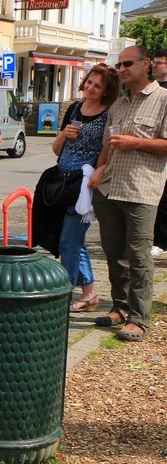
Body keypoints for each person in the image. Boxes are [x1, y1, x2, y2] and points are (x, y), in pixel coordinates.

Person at [90, 45, 167, 342]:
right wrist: (99, 170)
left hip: (141, 190)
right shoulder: (119, 104)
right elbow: (107, 145)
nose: (121, 69)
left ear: (146, 64)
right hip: (110, 188)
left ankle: (139, 318)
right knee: (114, 254)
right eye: (119, 65)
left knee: (138, 256)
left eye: (127, 64)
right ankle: (120, 307)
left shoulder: (162, 99)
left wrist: (136, 143)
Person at [48, 64, 118, 313]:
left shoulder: (109, 114)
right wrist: (64, 134)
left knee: (69, 241)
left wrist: (100, 169)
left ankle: (62, 295)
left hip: (85, 186)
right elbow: (56, 150)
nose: (91, 88)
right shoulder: (74, 109)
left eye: (98, 86)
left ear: (106, 91)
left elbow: (109, 149)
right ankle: (89, 294)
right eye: (89, 82)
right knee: (72, 240)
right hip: (63, 182)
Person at [151, 49, 167, 257]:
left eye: (159, 63)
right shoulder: (151, 88)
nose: (154, 66)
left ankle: (162, 241)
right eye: (153, 62)